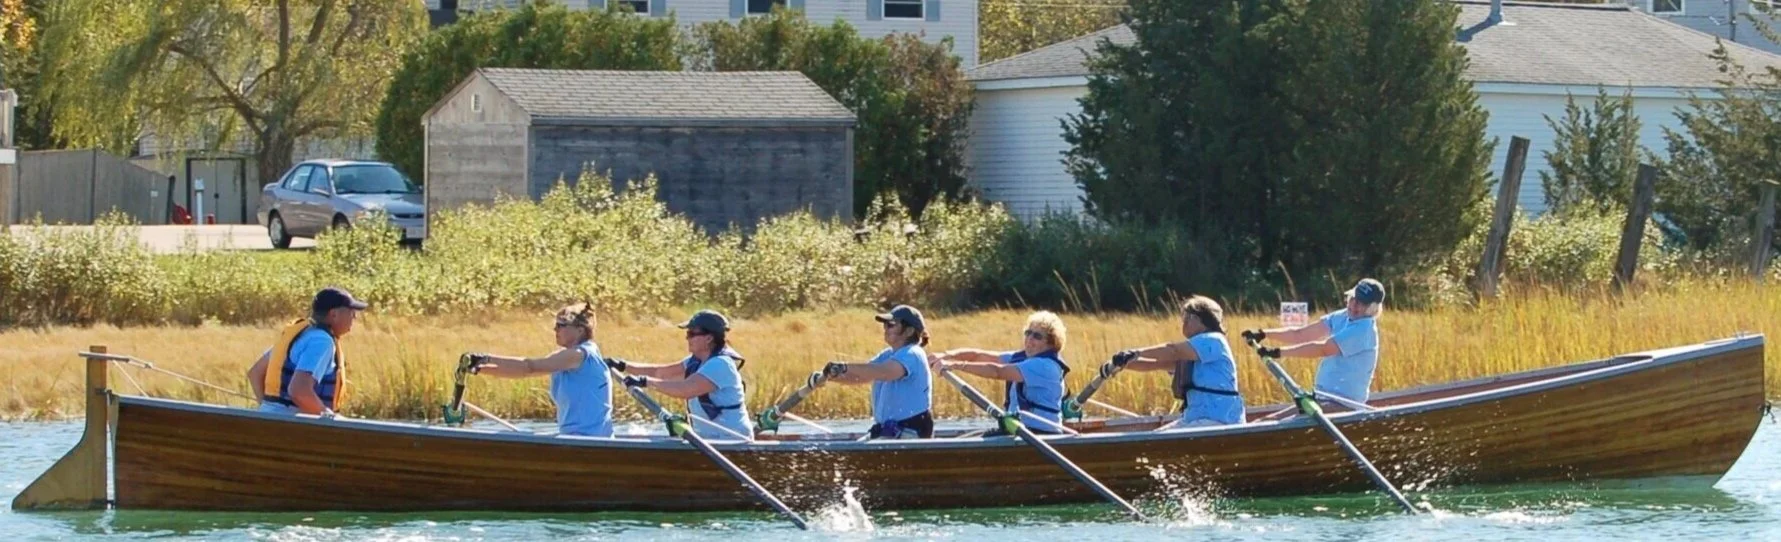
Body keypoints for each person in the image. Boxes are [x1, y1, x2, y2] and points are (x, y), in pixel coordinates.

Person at [463, 302, 614, 437]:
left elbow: (529, 367)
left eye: (561, 325)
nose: (555, 329)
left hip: (589, 440)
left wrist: (486, 358)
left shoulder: (578, 355)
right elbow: (524, 372)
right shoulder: (563, 359)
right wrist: (478, 368)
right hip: (574, 438)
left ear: (580, 330)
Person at [1102, 296, 1243, 428]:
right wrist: (1121, 364)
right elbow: (1155, 364)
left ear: (1204, 320)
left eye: (1189, 317)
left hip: (1220, 420)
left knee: (1154, 443)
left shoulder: (1213, 340)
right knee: (1153, 439)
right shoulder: (1193, 351)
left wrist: (1135, 352)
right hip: (1195, 419)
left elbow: (1172, 350)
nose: (1184, 321)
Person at [614, 310, 753, 440]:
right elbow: (660, 372)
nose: (687, 338)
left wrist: (645, 382)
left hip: (733, 440)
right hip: (707, 440)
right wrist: (622, 365)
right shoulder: (695, 361)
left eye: (692, 334)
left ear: (709, 338)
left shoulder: (721, 364)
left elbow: (686, 389)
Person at [1244, 278, 1385, 404]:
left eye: (1361, 303)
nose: (1354, 305)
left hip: (1345, 403)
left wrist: (1278, 352)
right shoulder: (1342, 316)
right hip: (1322, 397)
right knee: (1269, 420)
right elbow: (1301, 334)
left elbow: (1323, 349)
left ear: (1372, 309)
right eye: (1353, 299)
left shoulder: (1363, 329)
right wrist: (1264, 334)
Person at [928, 311, 1071, 434]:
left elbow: (997, 372)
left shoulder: (1044, 366)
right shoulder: (1022, 358)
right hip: (1020, 430)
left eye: (1037, 336)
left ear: (1051, 343)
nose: (1029, 339)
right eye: (1028, 333)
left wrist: (954, 365)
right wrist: (945, 355)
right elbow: (978, 355)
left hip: (1041, 433)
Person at [812, 305, 934, 439]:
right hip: (889, 430)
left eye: (891, 325)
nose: (885, 329)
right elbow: (862, 376)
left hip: (912, 430)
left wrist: (843, 367)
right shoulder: (888, 354)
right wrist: (830, 376)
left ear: (909, 331)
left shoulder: (913, 353)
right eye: (885, 325)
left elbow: (885, 373)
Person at [246, 287, 366, 417]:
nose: (354, 317)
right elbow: (299, 391)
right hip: (295, 429)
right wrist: (329, 416)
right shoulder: (321, 341)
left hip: (269, 422)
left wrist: (268, 408)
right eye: (351, 312)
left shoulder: (300, 335)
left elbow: (255, 373)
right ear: (334, 315)